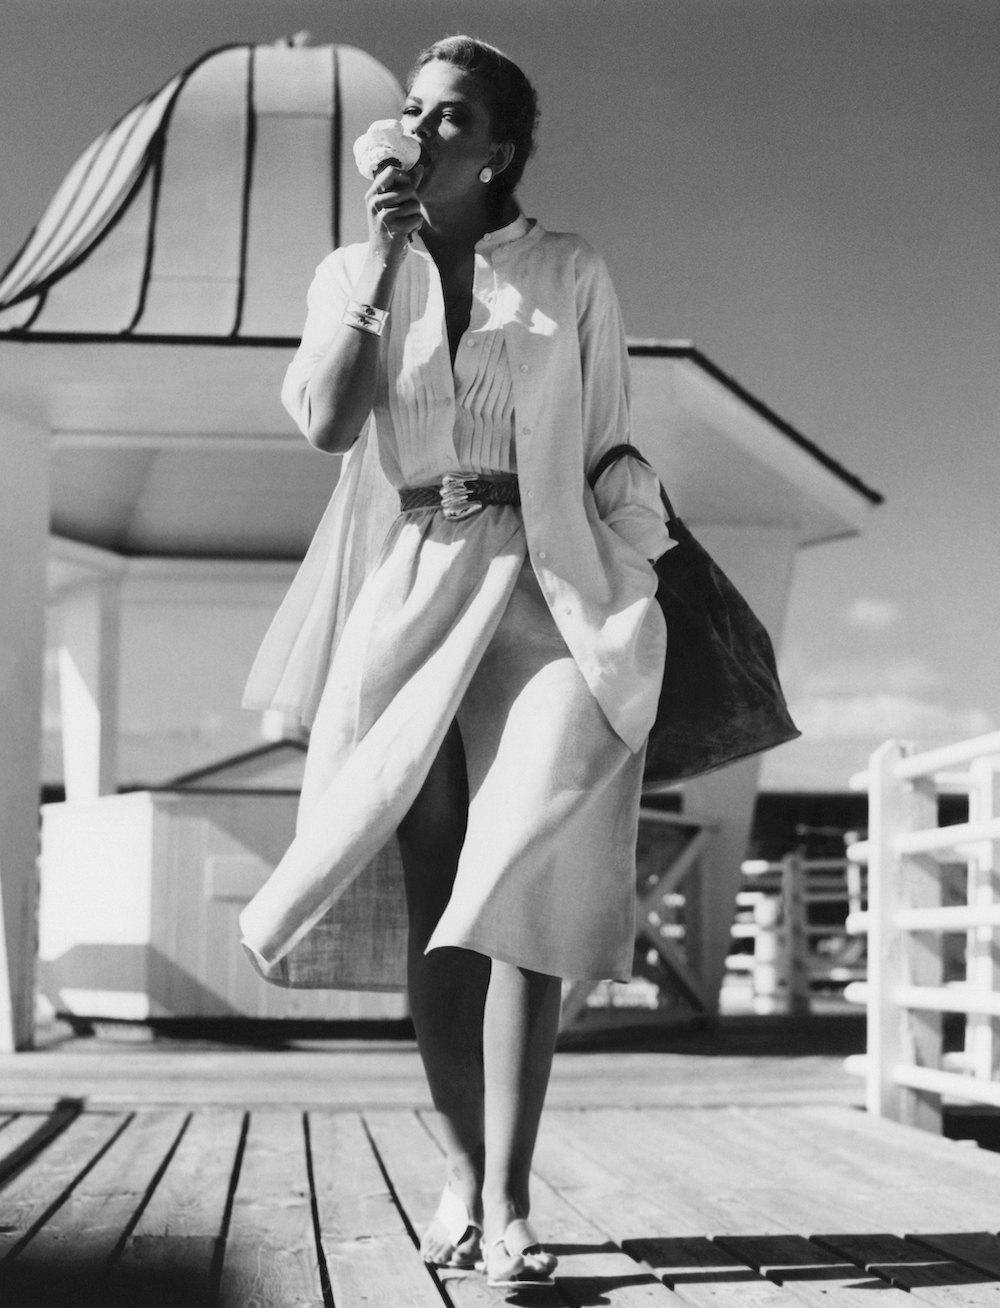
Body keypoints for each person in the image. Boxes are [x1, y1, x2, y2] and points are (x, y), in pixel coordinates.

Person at [239, 34, 671, 1287]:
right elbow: (327, 422)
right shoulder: (348, 268)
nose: (419, 134)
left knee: (517, 884)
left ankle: (517, 1199)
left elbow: (604, 444)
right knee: (443, 916)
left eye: (450, 119)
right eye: (411, 113)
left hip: (546, 591)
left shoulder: (569, 269)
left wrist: (633, 584)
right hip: (418, 584)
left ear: (498, 151)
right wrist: (380, 257)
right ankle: (463, 1179)